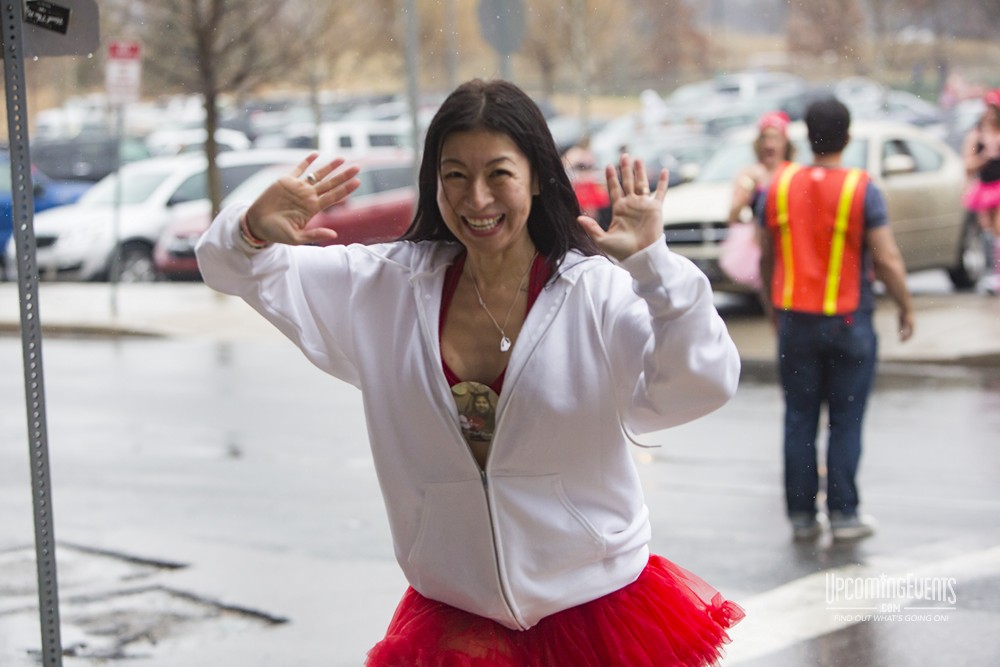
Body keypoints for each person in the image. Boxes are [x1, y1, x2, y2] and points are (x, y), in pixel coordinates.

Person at [196, 79, 743, 665]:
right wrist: (249, 227)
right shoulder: (384, 287)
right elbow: (231, 267)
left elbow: (702, 382)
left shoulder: (597, 292)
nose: (476, 198)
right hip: (455, 619)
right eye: (455, 174)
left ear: (536, 176)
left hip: (597, 609)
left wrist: (655, 269)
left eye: (499, 174)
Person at [757, 97, 915, 542]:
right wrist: (904, 304)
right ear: (847, 137)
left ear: (806, 136)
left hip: (795, 323)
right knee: (845, 420)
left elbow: (766, 256)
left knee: (799, 419)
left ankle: (802, 516)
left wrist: (774, 309)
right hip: (849, 323)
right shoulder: (861, 189)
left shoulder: (779, 187)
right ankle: (844, 514)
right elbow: (887, 259)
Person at [720, 111, 795, 290]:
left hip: (788, 244)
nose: (769, 144)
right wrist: (747, 193)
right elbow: (732, 216)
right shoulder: (749, 174)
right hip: (760, 246)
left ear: (785, 141)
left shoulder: (794, 173)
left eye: (775, 138)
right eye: (764, 138)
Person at [960, 89, 1000, 294]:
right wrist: (985, 156)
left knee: (999, 228)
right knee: (987, 231)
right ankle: (992, 273)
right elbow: (967, 164)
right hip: (985, 187)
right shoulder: (976, 135)